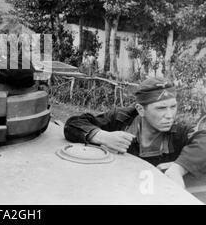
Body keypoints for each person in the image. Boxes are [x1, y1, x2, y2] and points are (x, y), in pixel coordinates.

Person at [64, 77, 206, 188]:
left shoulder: (179, 129)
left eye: (173, 107)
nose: (169, 115)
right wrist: (103, 136)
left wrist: (178, 168)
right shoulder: (121, 119)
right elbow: (73, 123)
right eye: (161, 108)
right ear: (140, 110)